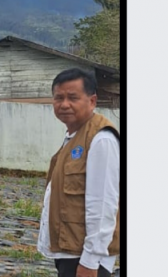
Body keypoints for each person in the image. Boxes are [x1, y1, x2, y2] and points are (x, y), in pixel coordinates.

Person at [37, 68, 120, 277]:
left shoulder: (101, 139)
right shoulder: (74, 137)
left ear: (92, 101)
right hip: (71, 252)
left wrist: (90, 261)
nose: (64, 104)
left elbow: (103, 206)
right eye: (59, 98)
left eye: (73, 97)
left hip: (87, 259)